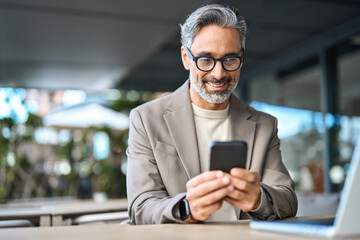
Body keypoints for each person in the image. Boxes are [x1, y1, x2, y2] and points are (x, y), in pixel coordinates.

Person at [126, 4, 297, 224]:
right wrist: (187, 208)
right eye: (206, 60)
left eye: (230, 59)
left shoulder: (265, 125)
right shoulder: (146, 119)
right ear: (186, 58)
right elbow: (140, 206)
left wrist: (259, 200)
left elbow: (288, 200)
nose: (219, 73)